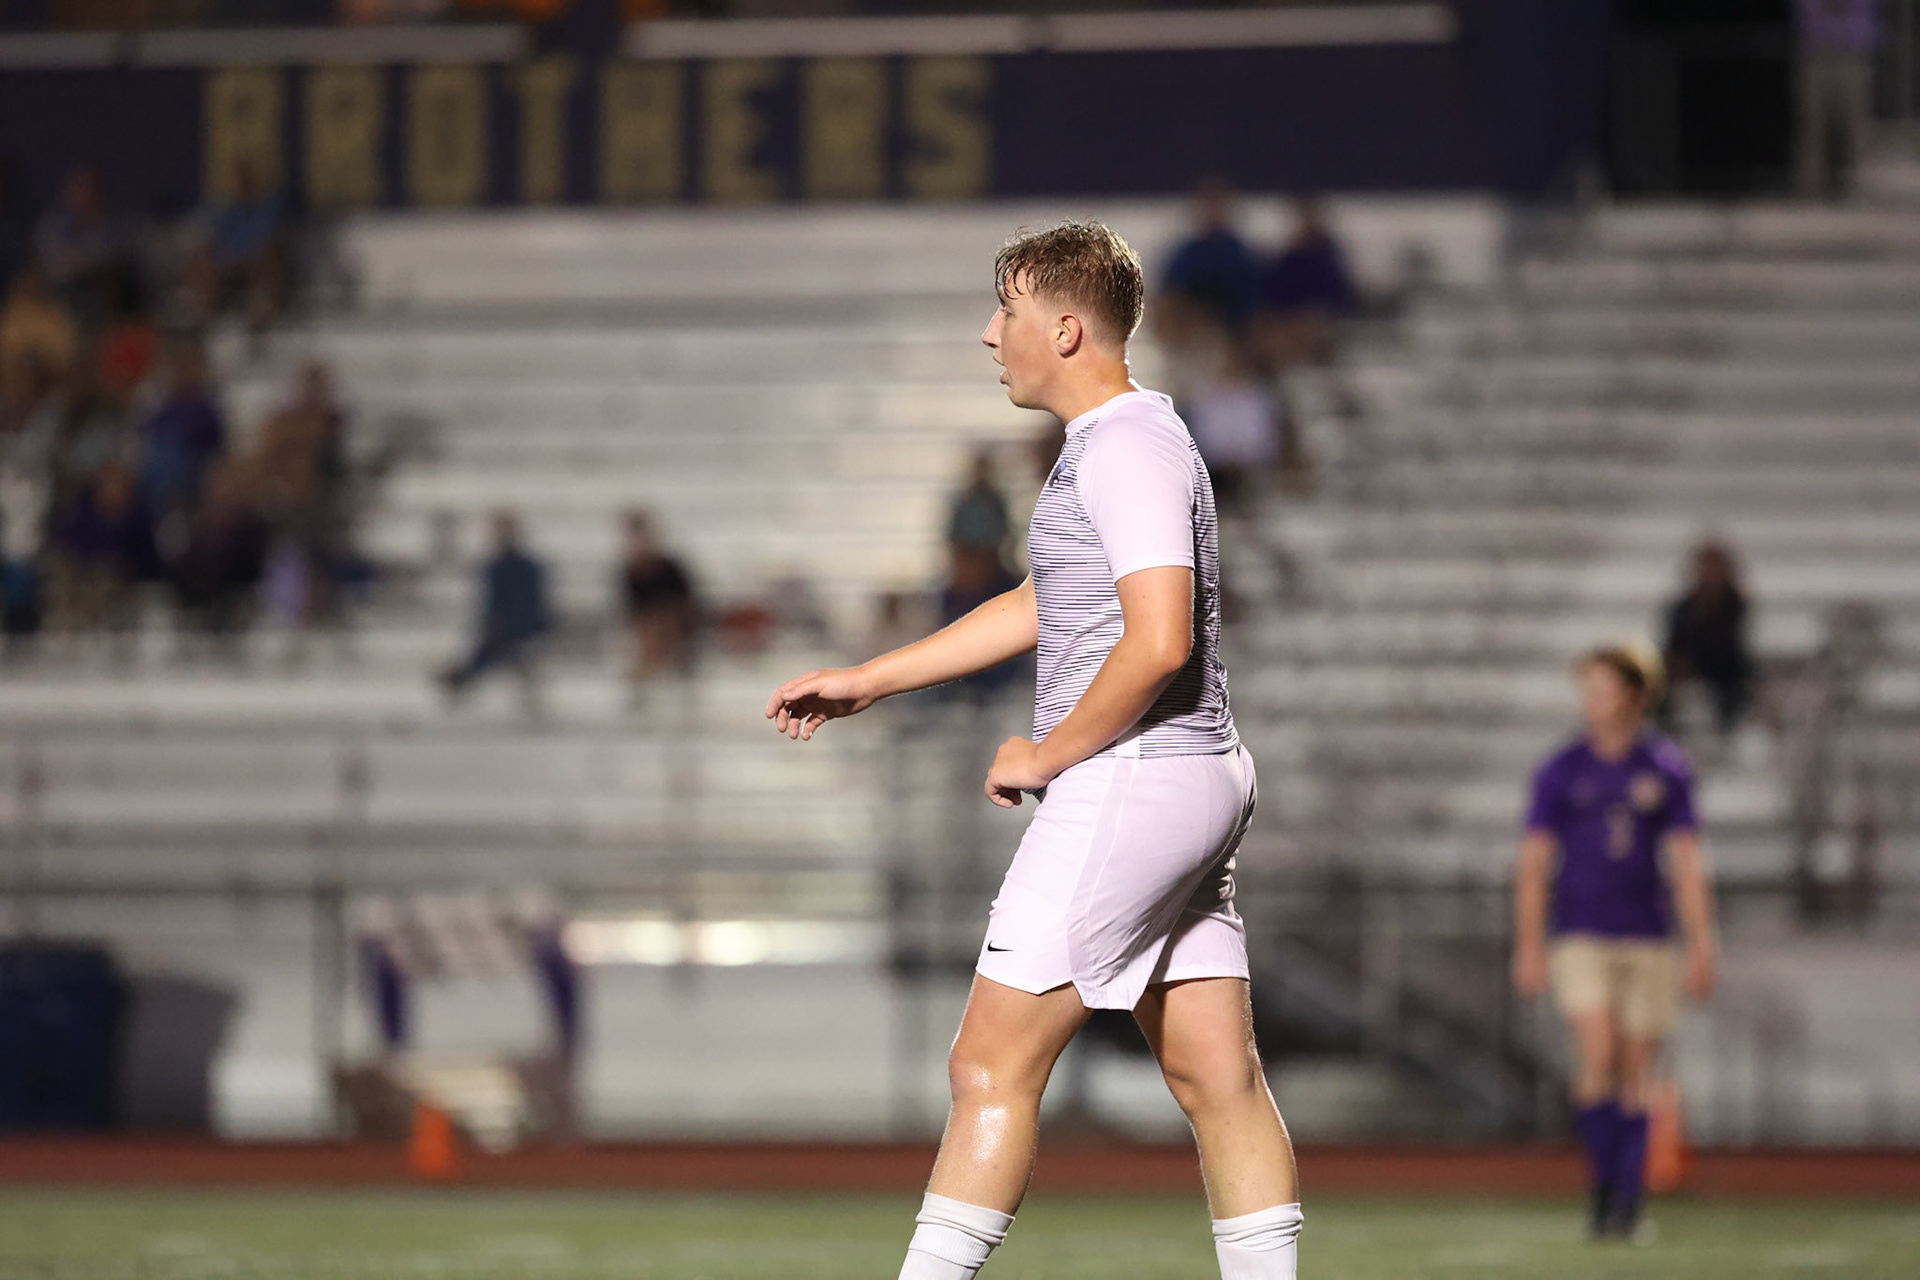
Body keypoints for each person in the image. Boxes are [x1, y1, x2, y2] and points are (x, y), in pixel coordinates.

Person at [766, 221, 1299, 1280]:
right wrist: (873, 676)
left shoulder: (1131, 444)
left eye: (1005, 310)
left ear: (1063, 325)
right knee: (1214, 1072)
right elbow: (1043, 603)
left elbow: (1161, 638)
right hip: (1188, 774)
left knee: (988, 1063)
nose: (988, 332)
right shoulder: (1115, 441)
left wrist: (1048, 751)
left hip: (1136, 777)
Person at [1511, 643, 1718, 1242]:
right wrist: (1529, 943)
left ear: (1633, 694)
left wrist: (1703, 942)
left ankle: (1626, 1202)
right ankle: (1604, 1190)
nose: (1591, 701)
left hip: (1648, 936)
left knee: (1636, 1071)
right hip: (1580, 932)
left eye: (1602, 688)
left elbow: (1685, 861)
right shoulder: (1561, 769)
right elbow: (1533, 862)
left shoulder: (1665, 767)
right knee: (1598, 1054)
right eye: (1587, 689)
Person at [440, 511, 552, 701]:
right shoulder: (495, 566)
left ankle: (459, 679)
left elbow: (533, 601)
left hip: (521, 626)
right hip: (504, 627)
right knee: (494, 653)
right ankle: (459, 679)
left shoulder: (526, 566)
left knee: (493, 653)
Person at [1661, 541, 1754, 737]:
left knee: (1736, 680)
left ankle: (1729, 727)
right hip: (1688, 661)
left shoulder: (1734, 604)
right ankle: (1666, 729)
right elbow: (1674, 641)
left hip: (1723, 665)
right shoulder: (1683, 607)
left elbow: (1731, 642)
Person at [1796, 0, 1880, 199]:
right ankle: (1810, 187)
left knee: (1855, 126)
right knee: (1813, 125)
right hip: (1817, 56)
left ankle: (1856, 184)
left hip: (1854, 56)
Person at [617, 510, 696, 685]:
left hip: (675, 623)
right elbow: (634, 610)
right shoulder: (630, 573)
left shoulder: (670, 568)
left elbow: (685, 604)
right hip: (649, 628)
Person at [945, 447, 1010, 566]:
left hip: (991, 561)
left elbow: (1004, 532)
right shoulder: (964, 502)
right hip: (966, 558)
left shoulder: (996, 503)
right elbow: (954, 534)